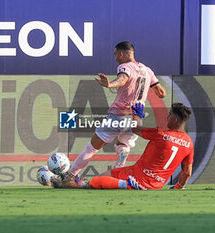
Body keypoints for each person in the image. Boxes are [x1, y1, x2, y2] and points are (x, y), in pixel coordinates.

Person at [60, 41, 166, 187]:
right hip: (136, 117)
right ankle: (122, 155)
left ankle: (69, 177)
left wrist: (110, 84)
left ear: (121, 54)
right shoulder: (148, 70)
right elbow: (162, 93)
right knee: (122, 143)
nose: (115, 58)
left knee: (92, 148)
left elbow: (122, 79)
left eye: (116, 54)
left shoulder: (124, 66)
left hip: (118, 114)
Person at [74, 102, 194, 190]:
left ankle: (125, 184)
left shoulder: (161, 134)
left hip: (136, 176)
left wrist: (137, 115)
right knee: (105, 179)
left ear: (175, 120)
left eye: (170, 115)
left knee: (96, 181)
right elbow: (187, 172)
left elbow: (135, 129)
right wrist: (178, 187)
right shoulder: (189, 143)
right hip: (156, 186)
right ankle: (125, 183)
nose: (167, 117)